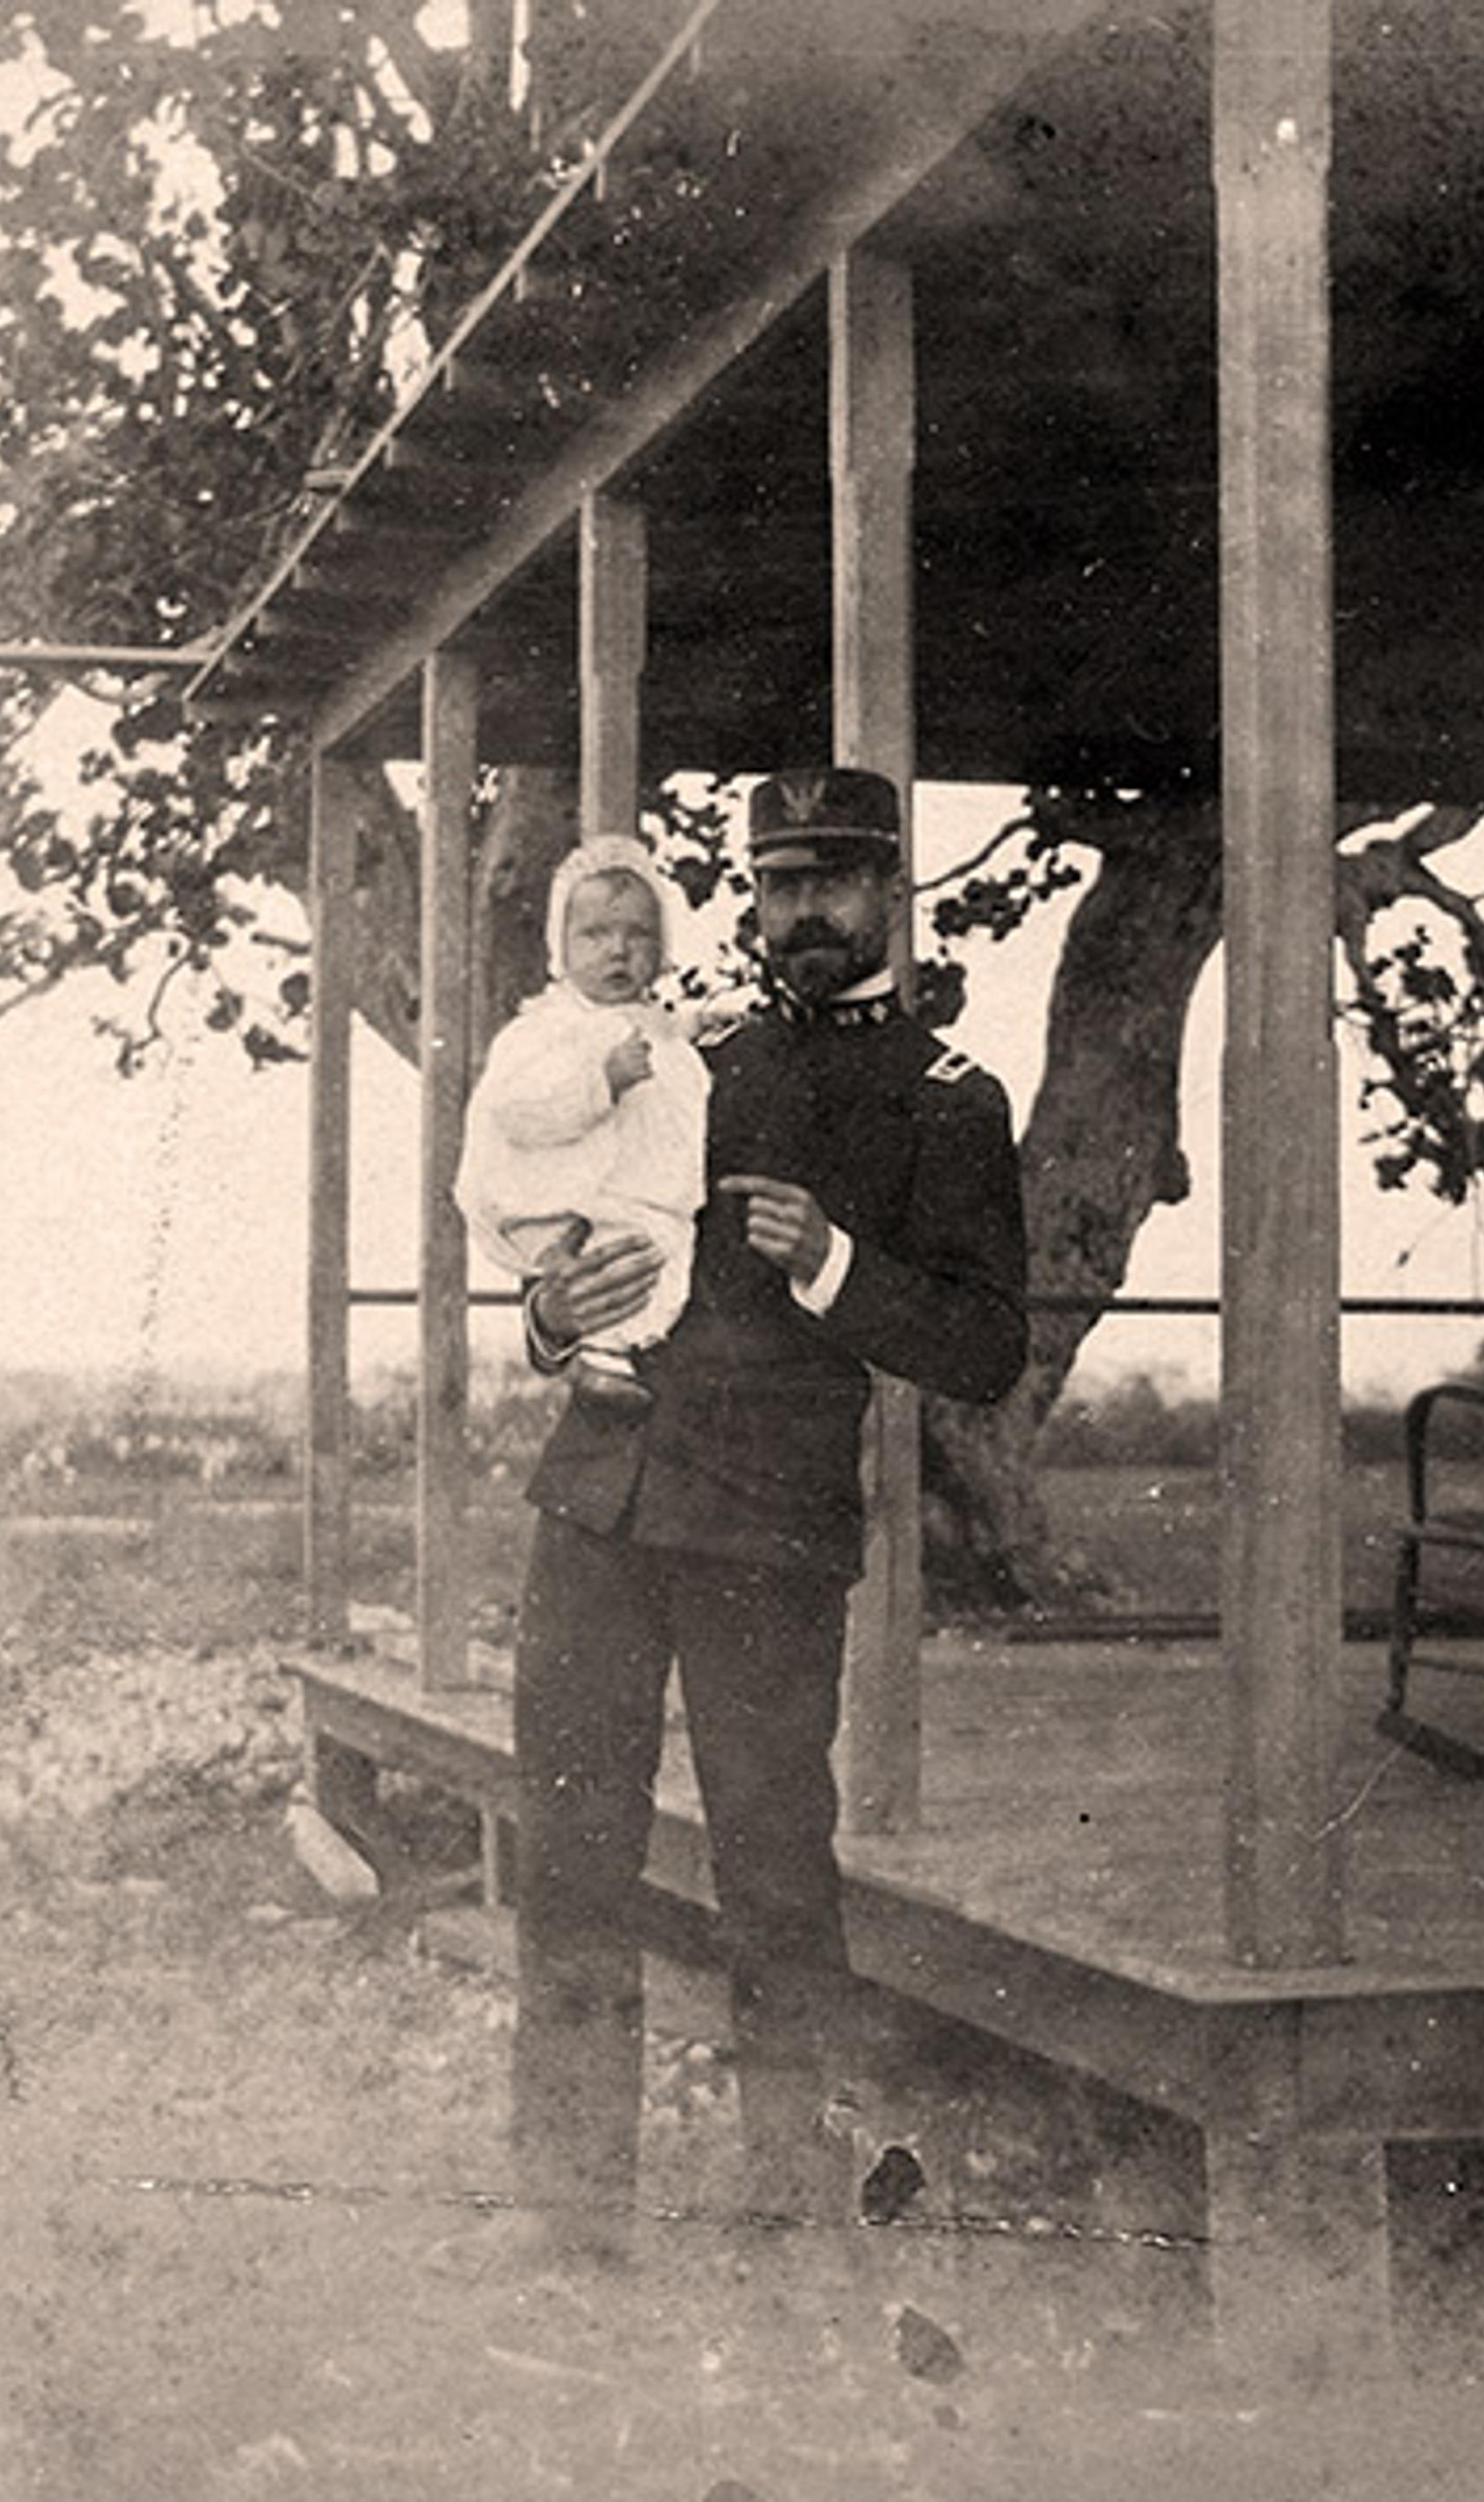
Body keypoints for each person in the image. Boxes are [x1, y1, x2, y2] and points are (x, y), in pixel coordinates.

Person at [506, 766, 1028, 2265]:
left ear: (889, 896)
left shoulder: (948, 1100)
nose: (804, 911)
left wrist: (838, 1267)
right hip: (597, 1509)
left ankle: (796, 2231)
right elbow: (576, 1220)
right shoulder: (686, 1057)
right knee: (570, 1860)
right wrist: (548, 1315)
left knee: (776, 1882)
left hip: (766, 1537)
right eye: (781, 884)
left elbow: (988, 1348)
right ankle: (563, 2221)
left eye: (836, 882)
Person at [455, 834, 709, 1417]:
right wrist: (601, 1083)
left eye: (639, 935)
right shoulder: (549, 1031)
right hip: (578, 1188)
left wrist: (699, 1020)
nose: (618, 951)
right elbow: (522, 1103)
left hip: (656, 1194)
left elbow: (672, 1037)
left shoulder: (660, 1029)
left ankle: (621, 1352)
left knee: (660, 1263)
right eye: (595, 934)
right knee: (612, 1266)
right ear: (560, 945)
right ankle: (603, 1359)